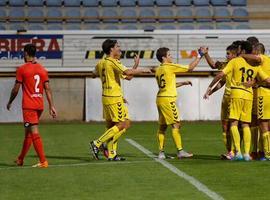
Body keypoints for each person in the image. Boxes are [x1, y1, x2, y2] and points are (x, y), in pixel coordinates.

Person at [205, 41, 270, 161]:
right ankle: (247, 154)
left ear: (244, 51)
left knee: (233, 123)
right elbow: (267, 79)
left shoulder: (235, 61)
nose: (238, 52)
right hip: (249, 95)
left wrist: (209, 88)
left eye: (240, 50)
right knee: (246, 125)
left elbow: (220, 75)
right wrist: (256, 82)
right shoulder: (255, 66)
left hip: (236, 94)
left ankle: (238, 152)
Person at [90, 39, 150, 161]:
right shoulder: (113, 62)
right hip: (113, 97)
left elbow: (127, 77)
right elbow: (127, 72)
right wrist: (142, 69)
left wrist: (135, 65)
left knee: (112, 126)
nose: (120, 48)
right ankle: (97, 143)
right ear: (111, 49)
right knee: (123, 124)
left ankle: (112, 154)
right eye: (117, 46)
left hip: (106, 97)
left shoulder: (101, 63)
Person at [7, 43, 57, 168]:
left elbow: (15, 89)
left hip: (29, 107)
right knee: (28, 133)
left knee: (33, 132)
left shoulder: (22, 69)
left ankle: (43, 161)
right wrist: (51, 106)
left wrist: (10, 101)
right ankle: (20, 159)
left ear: (25, 54)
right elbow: (48, 89)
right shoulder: (42, 69)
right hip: (39, 105)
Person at [154, 47, 203, 159]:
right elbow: (190, 67)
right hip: (168, 99)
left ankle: (161, 152)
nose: (171, 57)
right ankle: (180, 151)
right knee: (176, 124)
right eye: (169, 55)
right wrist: (200, 55)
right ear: (164, 58)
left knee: (162, 127)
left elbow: (168, 85)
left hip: (160, 98)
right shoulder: (169, 66)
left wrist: (183, 83)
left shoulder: (158, 69)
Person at [202, 44, 238, 160]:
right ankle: (230, 152)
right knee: (225, 126)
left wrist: (209, 88)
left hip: (236, 98)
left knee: (238, 126)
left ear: (234, 54)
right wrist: (210, 92)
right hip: (226, 99)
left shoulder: (241, 64)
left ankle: (237, 151)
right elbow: (220, 78)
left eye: (228, 54)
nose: (226, 56)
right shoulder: (226, 65)